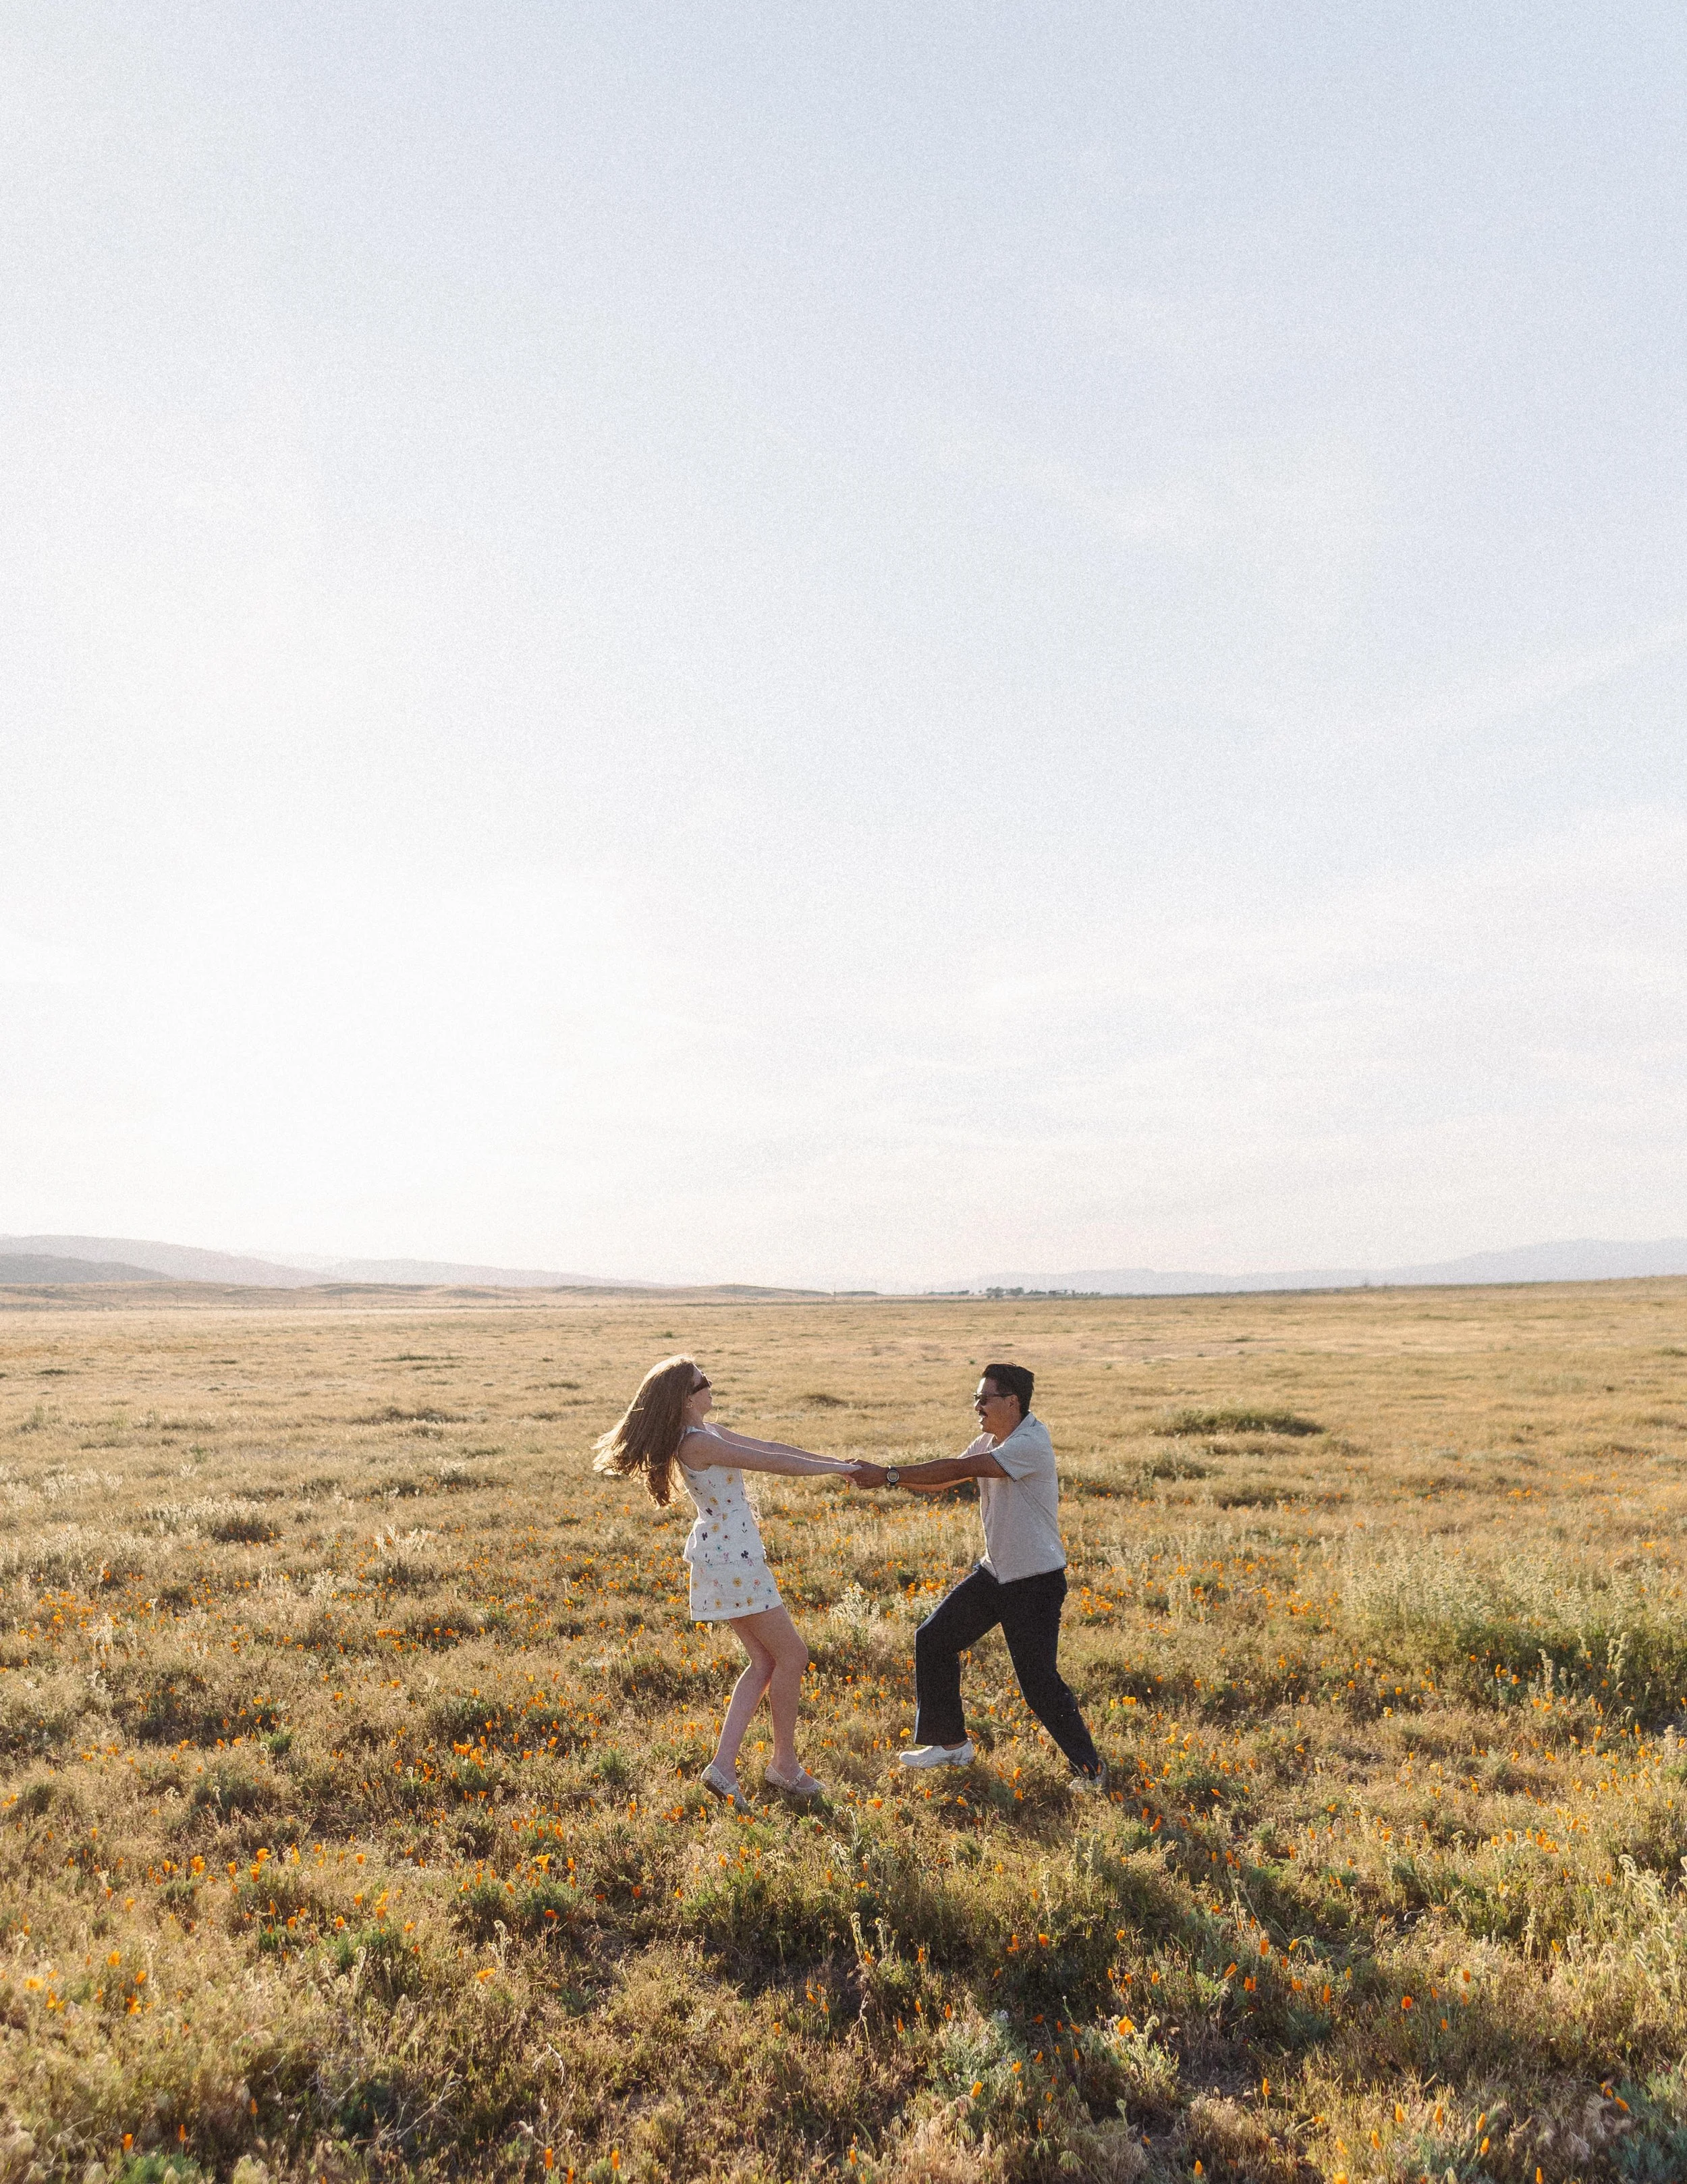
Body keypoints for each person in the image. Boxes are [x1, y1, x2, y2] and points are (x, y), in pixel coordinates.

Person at [593, 1353, 858, 1808]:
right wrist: (837, 1470)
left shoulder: (706, 1433)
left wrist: (840, 1462)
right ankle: (784, 1766)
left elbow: (774, 1446)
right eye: (704, 1383)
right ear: (686, 1398)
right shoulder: (696, 1444)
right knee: (792, 1654)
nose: (711, 1386)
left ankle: (726, 1767)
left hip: (729, 1555)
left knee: (764, 1662)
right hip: (732, 1560)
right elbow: (769, 1463)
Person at [851, 1362, 1103, 1786]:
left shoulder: (1030, 1442)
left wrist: (889, 1474)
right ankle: (951, 1744)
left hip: (1034, 1582)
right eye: (976, 1397)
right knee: (933, 1640)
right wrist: (889, 1481)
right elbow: (948, 1479)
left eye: (984, 1398)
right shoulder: (990, 1439)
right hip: (996, 1574)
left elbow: (955, 1469)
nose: (977, 1406)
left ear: (1012, 1402)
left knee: (1039, 1684)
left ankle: (1090, 1770)